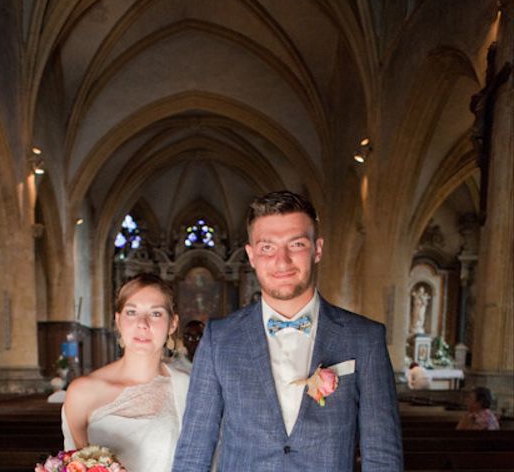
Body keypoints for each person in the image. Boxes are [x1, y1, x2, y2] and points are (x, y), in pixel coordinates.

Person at [173, 191, 403, 471]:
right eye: (267, 247)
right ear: (251, 255)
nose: (282, 261)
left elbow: (382, 456)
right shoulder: (219, 339)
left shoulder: (365, 338)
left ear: (317, 249)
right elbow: (194, 450)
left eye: (296, 244)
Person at [62, 273, 189, 472]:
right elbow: (74, 465)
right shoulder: (82, 392)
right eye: (132, 312)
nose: (143, 324)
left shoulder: (189, 387)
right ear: (118, 320)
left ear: (172, 324)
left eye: (156, 314)